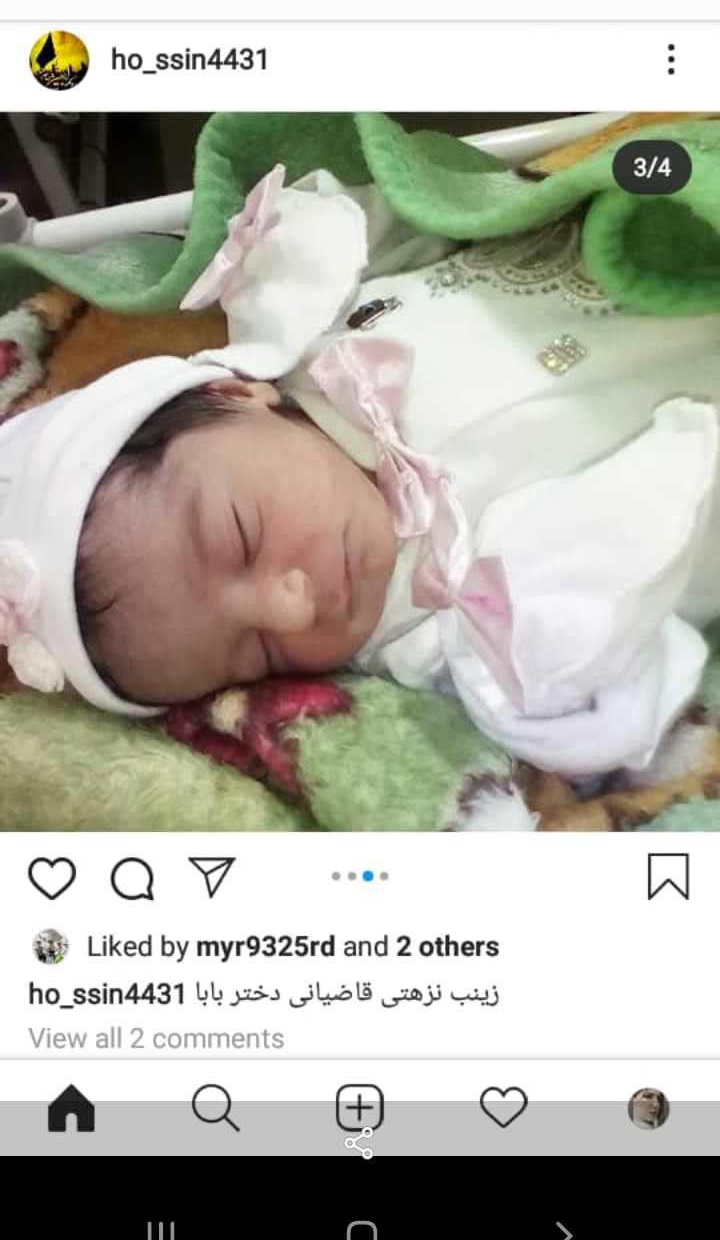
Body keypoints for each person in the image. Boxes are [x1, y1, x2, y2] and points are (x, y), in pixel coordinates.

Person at [3, 163, 720, 831]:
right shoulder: (438, 626)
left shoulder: (313, 316)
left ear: (234, 392)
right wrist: (552, 684)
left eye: (242, 536)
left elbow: (436, 203)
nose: (292, 608)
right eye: (259, 655)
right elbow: (606, 639)